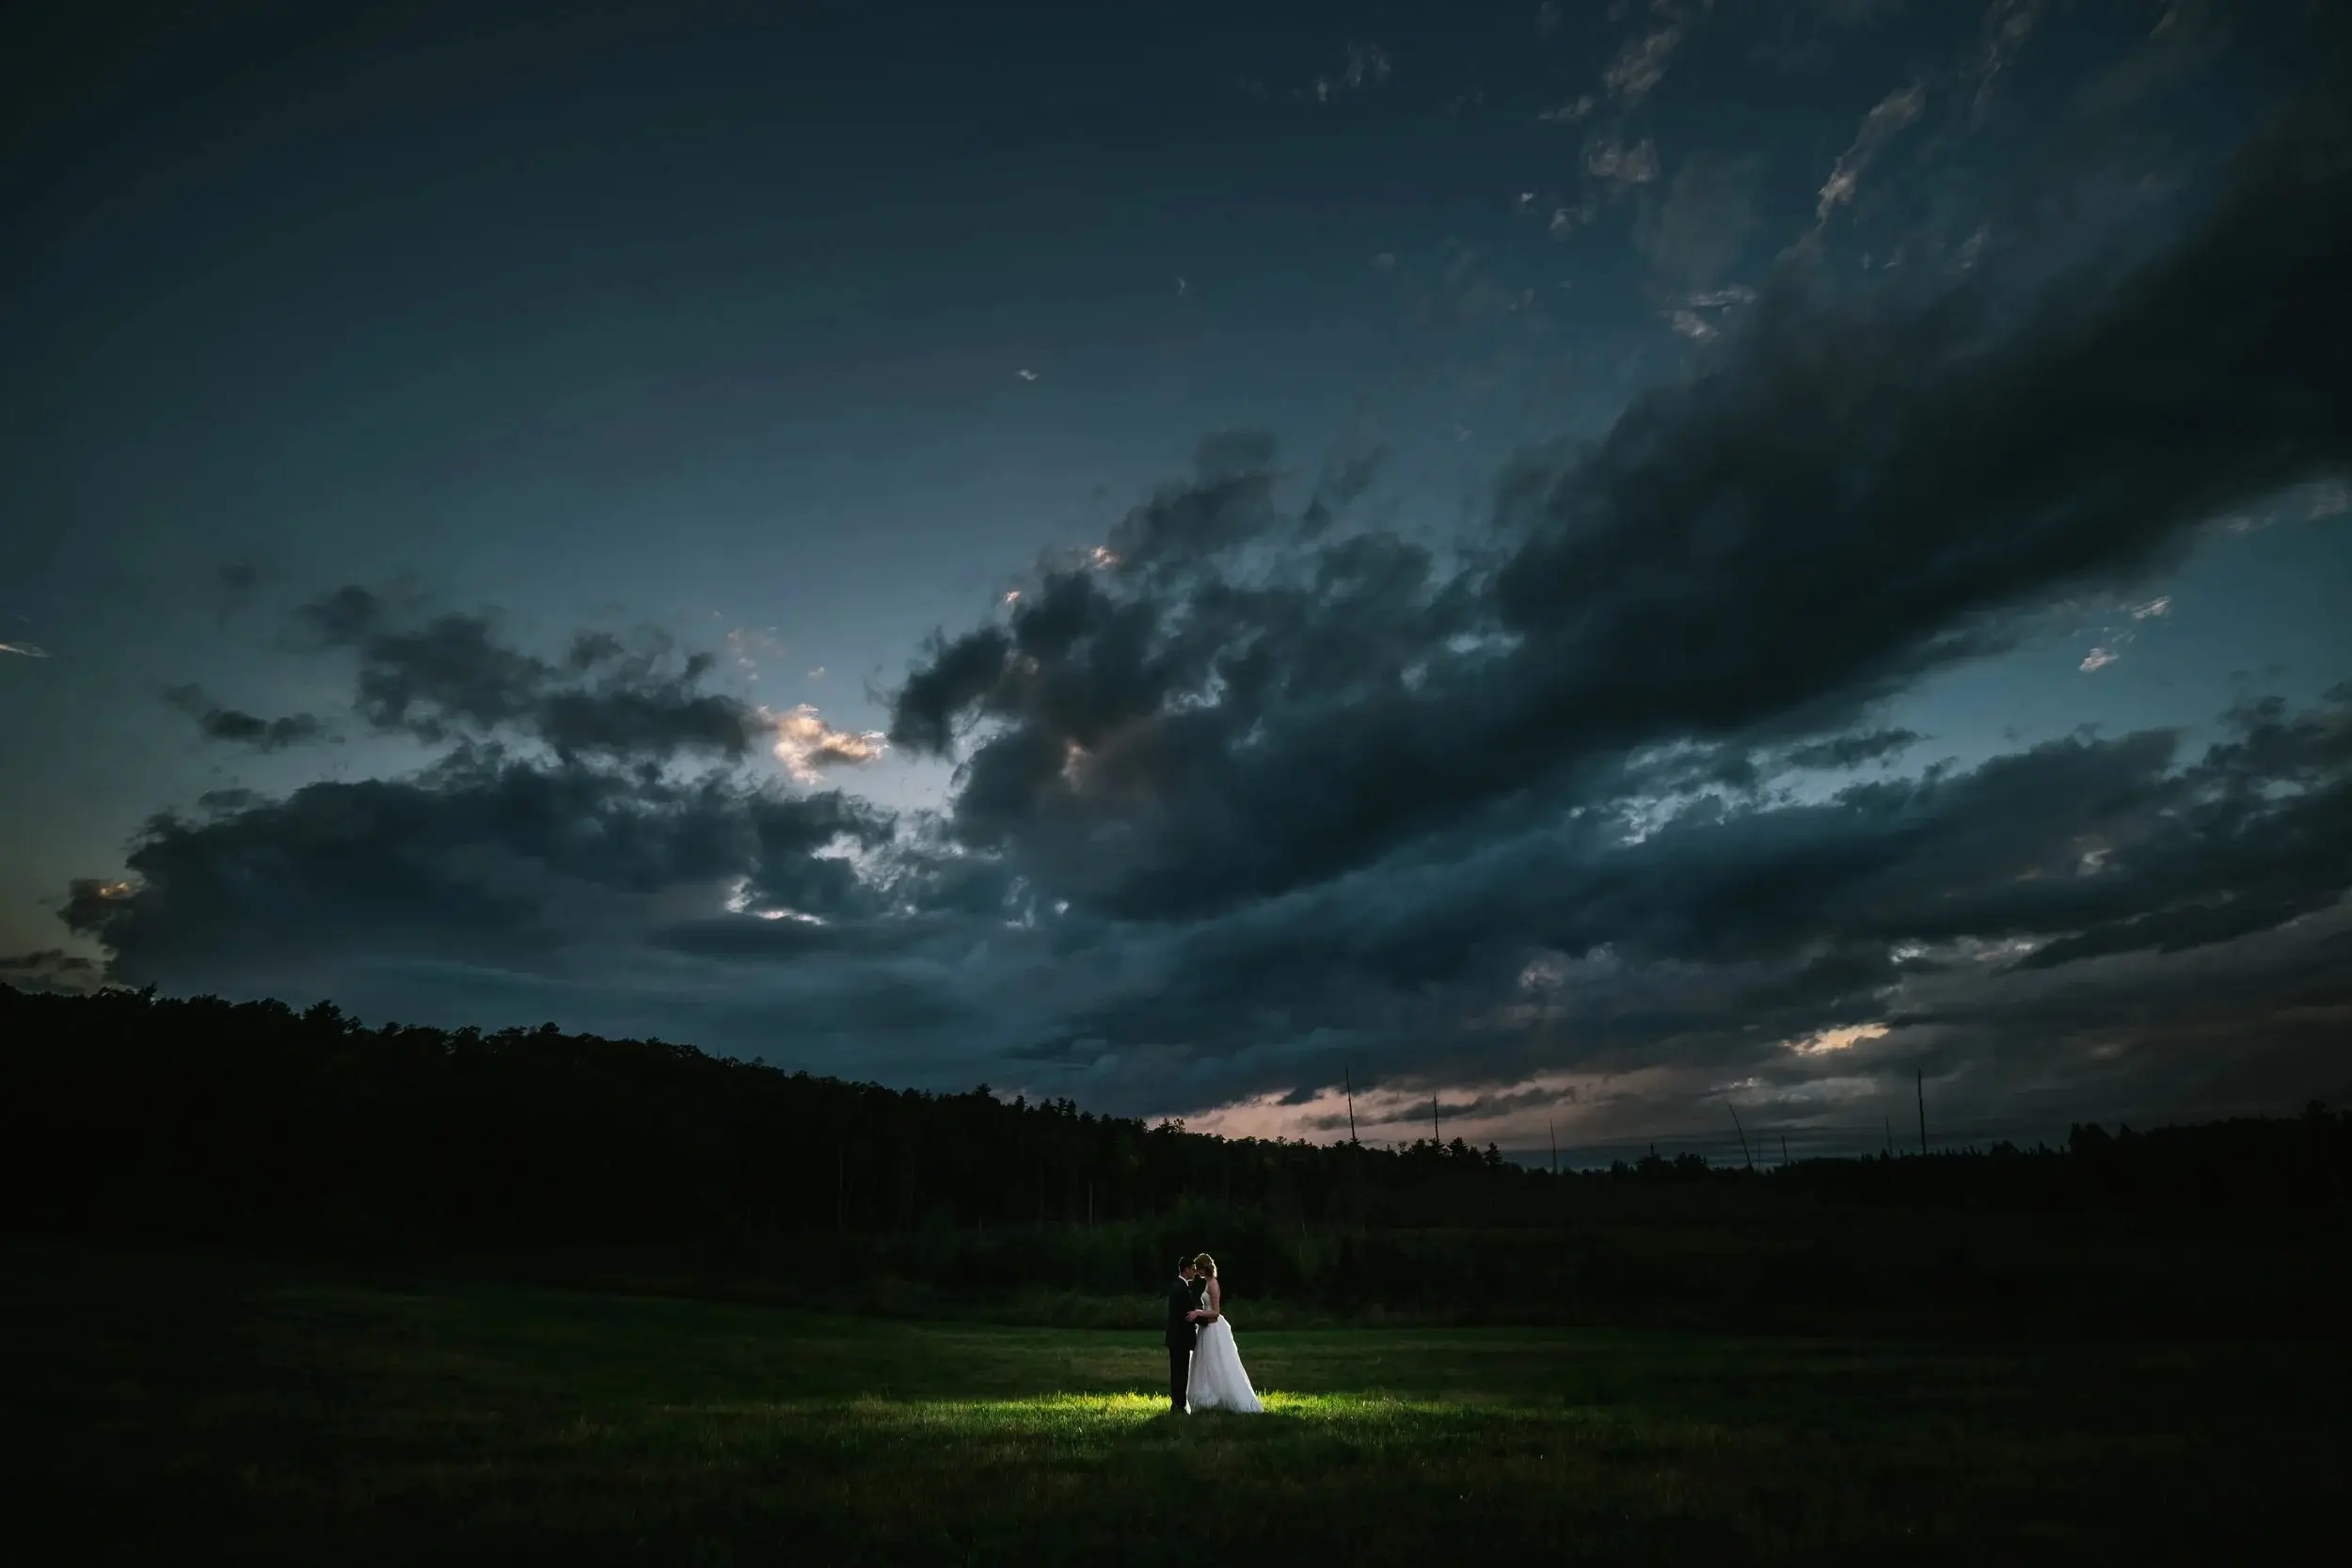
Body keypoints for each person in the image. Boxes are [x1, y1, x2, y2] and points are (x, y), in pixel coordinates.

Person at [1182, 1252, 1263, 1414]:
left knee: (1218, 1362)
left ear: (1205, 1268)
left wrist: (1198, 1313)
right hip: (1206, 1328)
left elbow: (1216, 1312)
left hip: (1214, 1328)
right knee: (1205, 1363)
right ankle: (1208, 1398)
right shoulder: (1207, 1283)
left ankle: (1226, 1398)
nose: (1197, 1273)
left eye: (1198, 1269)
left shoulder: (1213, 1285)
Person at [1163, 1257, 1204, 1414]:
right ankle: (1179, 1405)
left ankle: (1176, 1404)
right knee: (1181, 1372)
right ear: (1186, 1269)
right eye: (1193, 1269)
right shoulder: (1181, 1288)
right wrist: (1207, 1319)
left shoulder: (1177, 1286)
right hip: (1180, 1338)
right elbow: (1187, 1314)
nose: (1194, 1272)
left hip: (1175, 1338)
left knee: (1176, 1372)